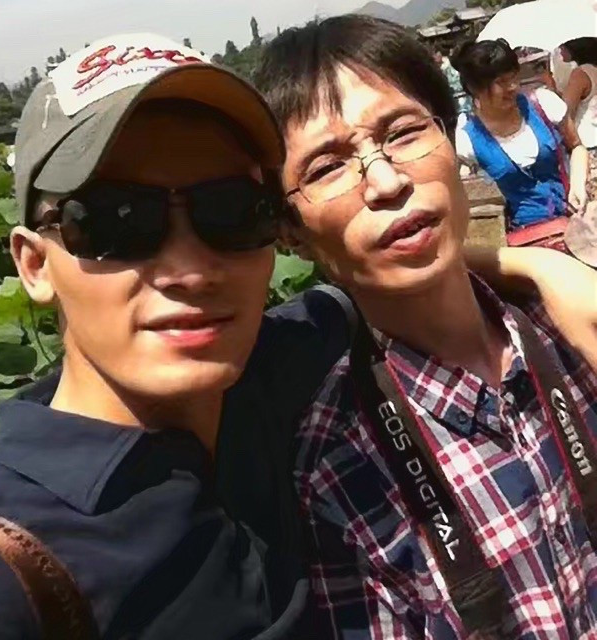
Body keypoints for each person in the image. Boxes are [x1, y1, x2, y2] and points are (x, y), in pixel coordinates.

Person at [0, 29, 597, 640]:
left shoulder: (287, 357)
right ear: (33, 263)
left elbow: (390, 268)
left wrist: (535, 266)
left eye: (231, 213)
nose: (190, 269)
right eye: (116, 221)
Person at [255, 15, 597, 639]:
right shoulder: (339, 467)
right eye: (328, 168)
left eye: (405, 132)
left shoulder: (572, 328)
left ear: (449, 136)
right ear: (289, 232)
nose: (387, 182)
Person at [453, 39, 589, 248]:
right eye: (501, 82)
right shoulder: (467, 140)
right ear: (475, 88)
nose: (513, 87)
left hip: (575, 223)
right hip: (525, 241)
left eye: (514, 77)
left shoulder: (543, 103)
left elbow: (576, 146)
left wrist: (577, 186)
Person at [560, 37, 597, 202]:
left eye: (563, 45)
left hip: (586, 147)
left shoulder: (581, 74)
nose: (560, 49)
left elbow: (565, 112)